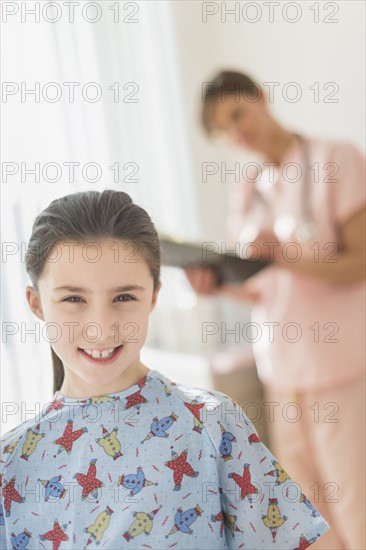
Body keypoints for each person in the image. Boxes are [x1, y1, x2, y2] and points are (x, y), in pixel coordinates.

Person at [0, 189, 329, 549]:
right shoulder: (10, 464)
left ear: (153, 297)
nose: (100, 327)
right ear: (37, 304)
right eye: (73, 299)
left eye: (123, 297)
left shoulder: (212, 424)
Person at [185, 70, 366, 549]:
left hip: (339, 368)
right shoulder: (247, 189)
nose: (236, 132)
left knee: (354, 500)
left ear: (262, 98)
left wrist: (285, 254)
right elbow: (265, 290)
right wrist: (217, 286)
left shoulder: (335, 158)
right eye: (223, 129)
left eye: (238, 113)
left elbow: (360, 262)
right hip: (281, 371)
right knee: (306, 508)